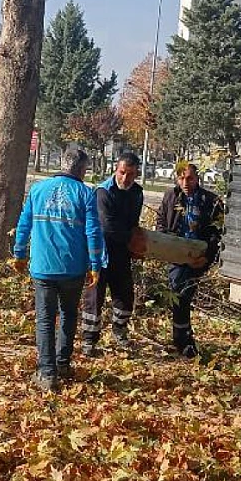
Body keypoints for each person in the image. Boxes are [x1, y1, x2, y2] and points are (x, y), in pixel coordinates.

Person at [13, 148, 103, 392]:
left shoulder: (38, 190)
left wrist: (19, 254)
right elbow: (93, 232)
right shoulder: (85, 194)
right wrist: (95, 264)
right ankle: (62, 363)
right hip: (73, 268)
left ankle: (47, 373)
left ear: (62, 163)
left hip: (43, 267)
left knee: (45, 318)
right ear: (82, 169)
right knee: (68, 314)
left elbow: (24, 224)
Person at [155, 163, 224, 358]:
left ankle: (183, 340)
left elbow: (216, 232)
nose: (185, 182)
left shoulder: (210, 201)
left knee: (184, 295)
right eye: (181, 178)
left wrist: (206, 257)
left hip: (198, 257)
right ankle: (183, 340)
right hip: (176, 255)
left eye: (190, 178)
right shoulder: (171, 196)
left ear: (197, 178)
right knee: (179, 295)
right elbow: (161, 222)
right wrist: (165, 244)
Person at [81, 152, 145, 354]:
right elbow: (107, 226)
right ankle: (89, 340)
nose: (125, 178)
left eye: (131, 174)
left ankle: (120, 332)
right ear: (116, 170)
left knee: (125, 296)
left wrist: (137, 243)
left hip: (122, 253)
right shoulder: (103, 192)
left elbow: (133, 223)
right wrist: (132, 239)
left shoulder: (137, 192)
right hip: (100, 253)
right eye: (122, 172)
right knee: (94, 298)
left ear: (136, 174)